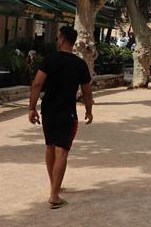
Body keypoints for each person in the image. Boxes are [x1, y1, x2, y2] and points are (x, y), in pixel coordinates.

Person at [28, 26, 93, 209]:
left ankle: (54, 186)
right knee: (62, 151)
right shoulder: (80, 64)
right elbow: (87, 91)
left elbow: (37, 84)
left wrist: (32, 108)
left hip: (48, 111)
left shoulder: (50, 59)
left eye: (58, 38)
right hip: (67, 113)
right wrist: (89, 110)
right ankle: (55, 196)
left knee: (50, 147)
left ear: (62, 39)